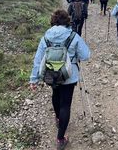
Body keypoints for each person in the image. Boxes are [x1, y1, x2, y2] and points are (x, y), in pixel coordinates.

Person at [30, 9, 90, 150]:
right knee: (66, 104)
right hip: (69, 76)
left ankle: (58, 118)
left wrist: (34, 79)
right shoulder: (73, 36)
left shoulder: (45, 38)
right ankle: (60, 138)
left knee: (55, 95)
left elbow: (38, 60)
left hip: (51, 75)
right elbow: (86, 55)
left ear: (53, 21)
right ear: (67, 21)